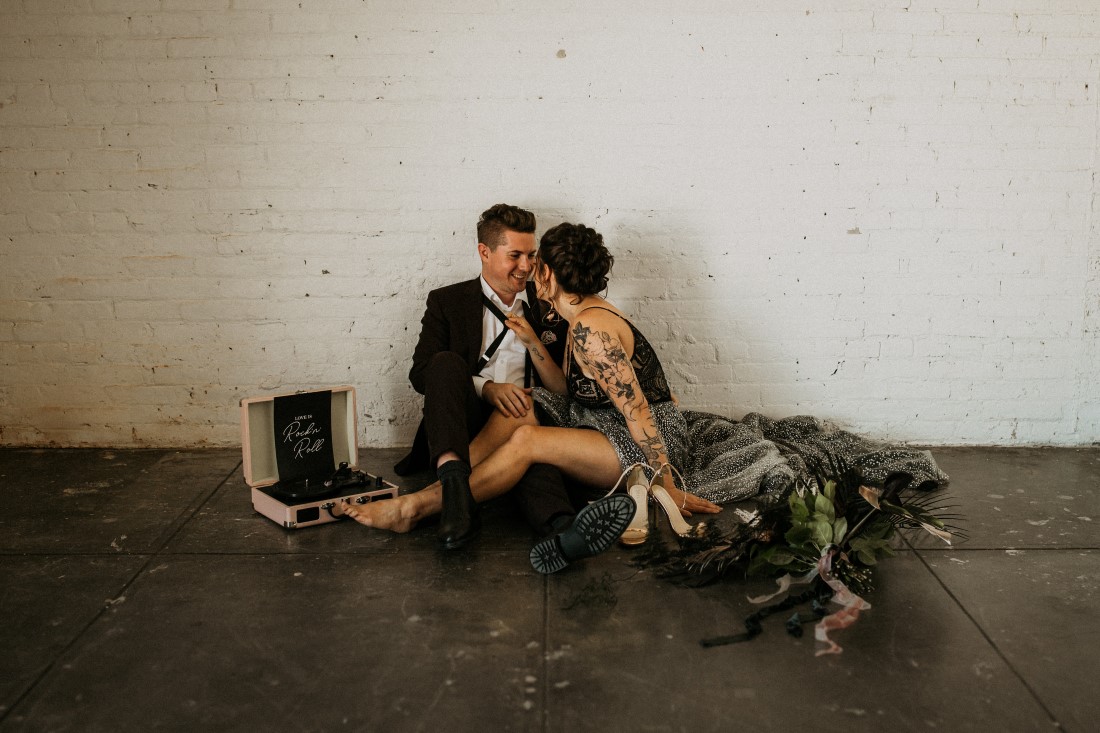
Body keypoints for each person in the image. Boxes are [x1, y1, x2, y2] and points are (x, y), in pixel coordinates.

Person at [343, 219, 723, 572]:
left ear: (547, 273)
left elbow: (638, 410)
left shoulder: (592, 328)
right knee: (520, 410)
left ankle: (415, 507)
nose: (527, 271)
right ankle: (448, 492)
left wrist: (667, 483)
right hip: (602, 423)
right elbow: (564, 389)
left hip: (645, 440)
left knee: (527, 439)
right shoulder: (581, 317)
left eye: (534, 261)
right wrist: (532, 341)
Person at [382, 204, 605, 554]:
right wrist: (486, 389)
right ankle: (456, 497)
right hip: (460, 423)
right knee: (443, 363)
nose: (527, 266)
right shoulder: (447, 302)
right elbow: (421, 374)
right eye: (515, 255)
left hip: (525, 418)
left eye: (531, 255)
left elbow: (564, 383)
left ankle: (561, 528)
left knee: (531, 449)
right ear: (484, 252)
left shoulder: (548, 301)